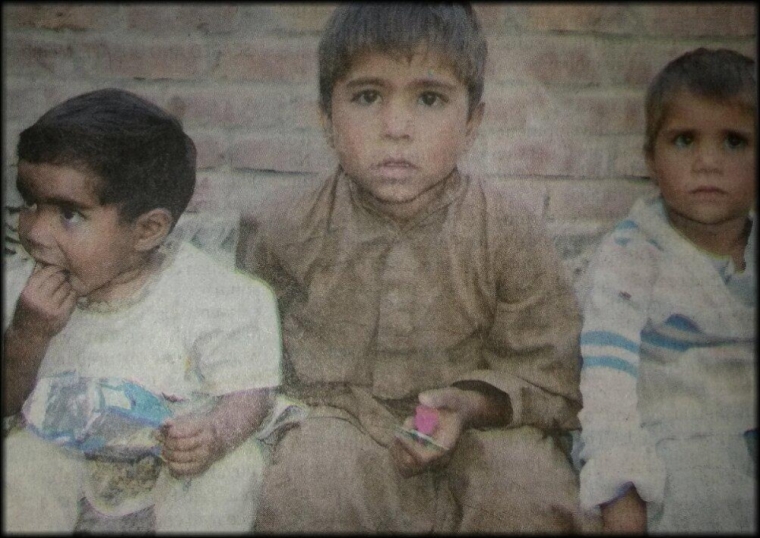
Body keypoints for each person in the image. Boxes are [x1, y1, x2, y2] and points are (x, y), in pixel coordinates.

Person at [249, 4, 597, 533]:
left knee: (528, 491)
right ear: (326, 118)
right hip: (341, 427)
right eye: (368, 97)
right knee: (307, 482)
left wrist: (467, 405)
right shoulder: (284, 229)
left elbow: (549, 377)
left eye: (429, 99)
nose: (396, 128)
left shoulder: (508, 233)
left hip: (474, 430)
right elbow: (248, 359)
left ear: (472, 123)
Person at [2, 88, 284, 533]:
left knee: (233, 469)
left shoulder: (212, 295)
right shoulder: (21, 288)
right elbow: (6, 402)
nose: (35, 230)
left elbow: (252, 393)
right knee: (21, 459)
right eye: (29, 204)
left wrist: (215, 435)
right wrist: (27, 333)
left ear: (148, 229)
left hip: (176, 464)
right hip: (67, 458)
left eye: (69, 214)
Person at [575, 48, 756, 534]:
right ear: (651, 160)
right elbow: (607, 384)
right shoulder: (630, 258)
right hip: (672, 432)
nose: (708, 162)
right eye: (684, 140)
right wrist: (620, 485)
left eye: (735, 142)